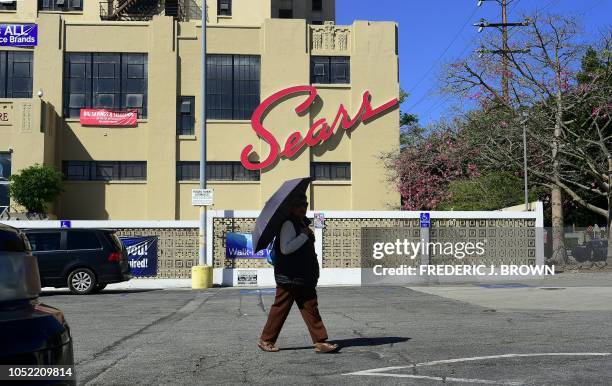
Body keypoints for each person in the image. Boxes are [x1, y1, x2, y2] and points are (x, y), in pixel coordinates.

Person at [258, 192, 339, 354]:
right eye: (298, 205)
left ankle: (320, 342)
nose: (302, 208)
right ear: (291, 207)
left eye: (305, 205)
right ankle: (266, 340)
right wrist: (303, 235)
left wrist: (305, 233)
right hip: (289, 276)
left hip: (303, 275)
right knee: (281, 307)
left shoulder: (301, 223)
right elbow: (285, 248)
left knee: (310, 307)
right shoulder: (288, 223)